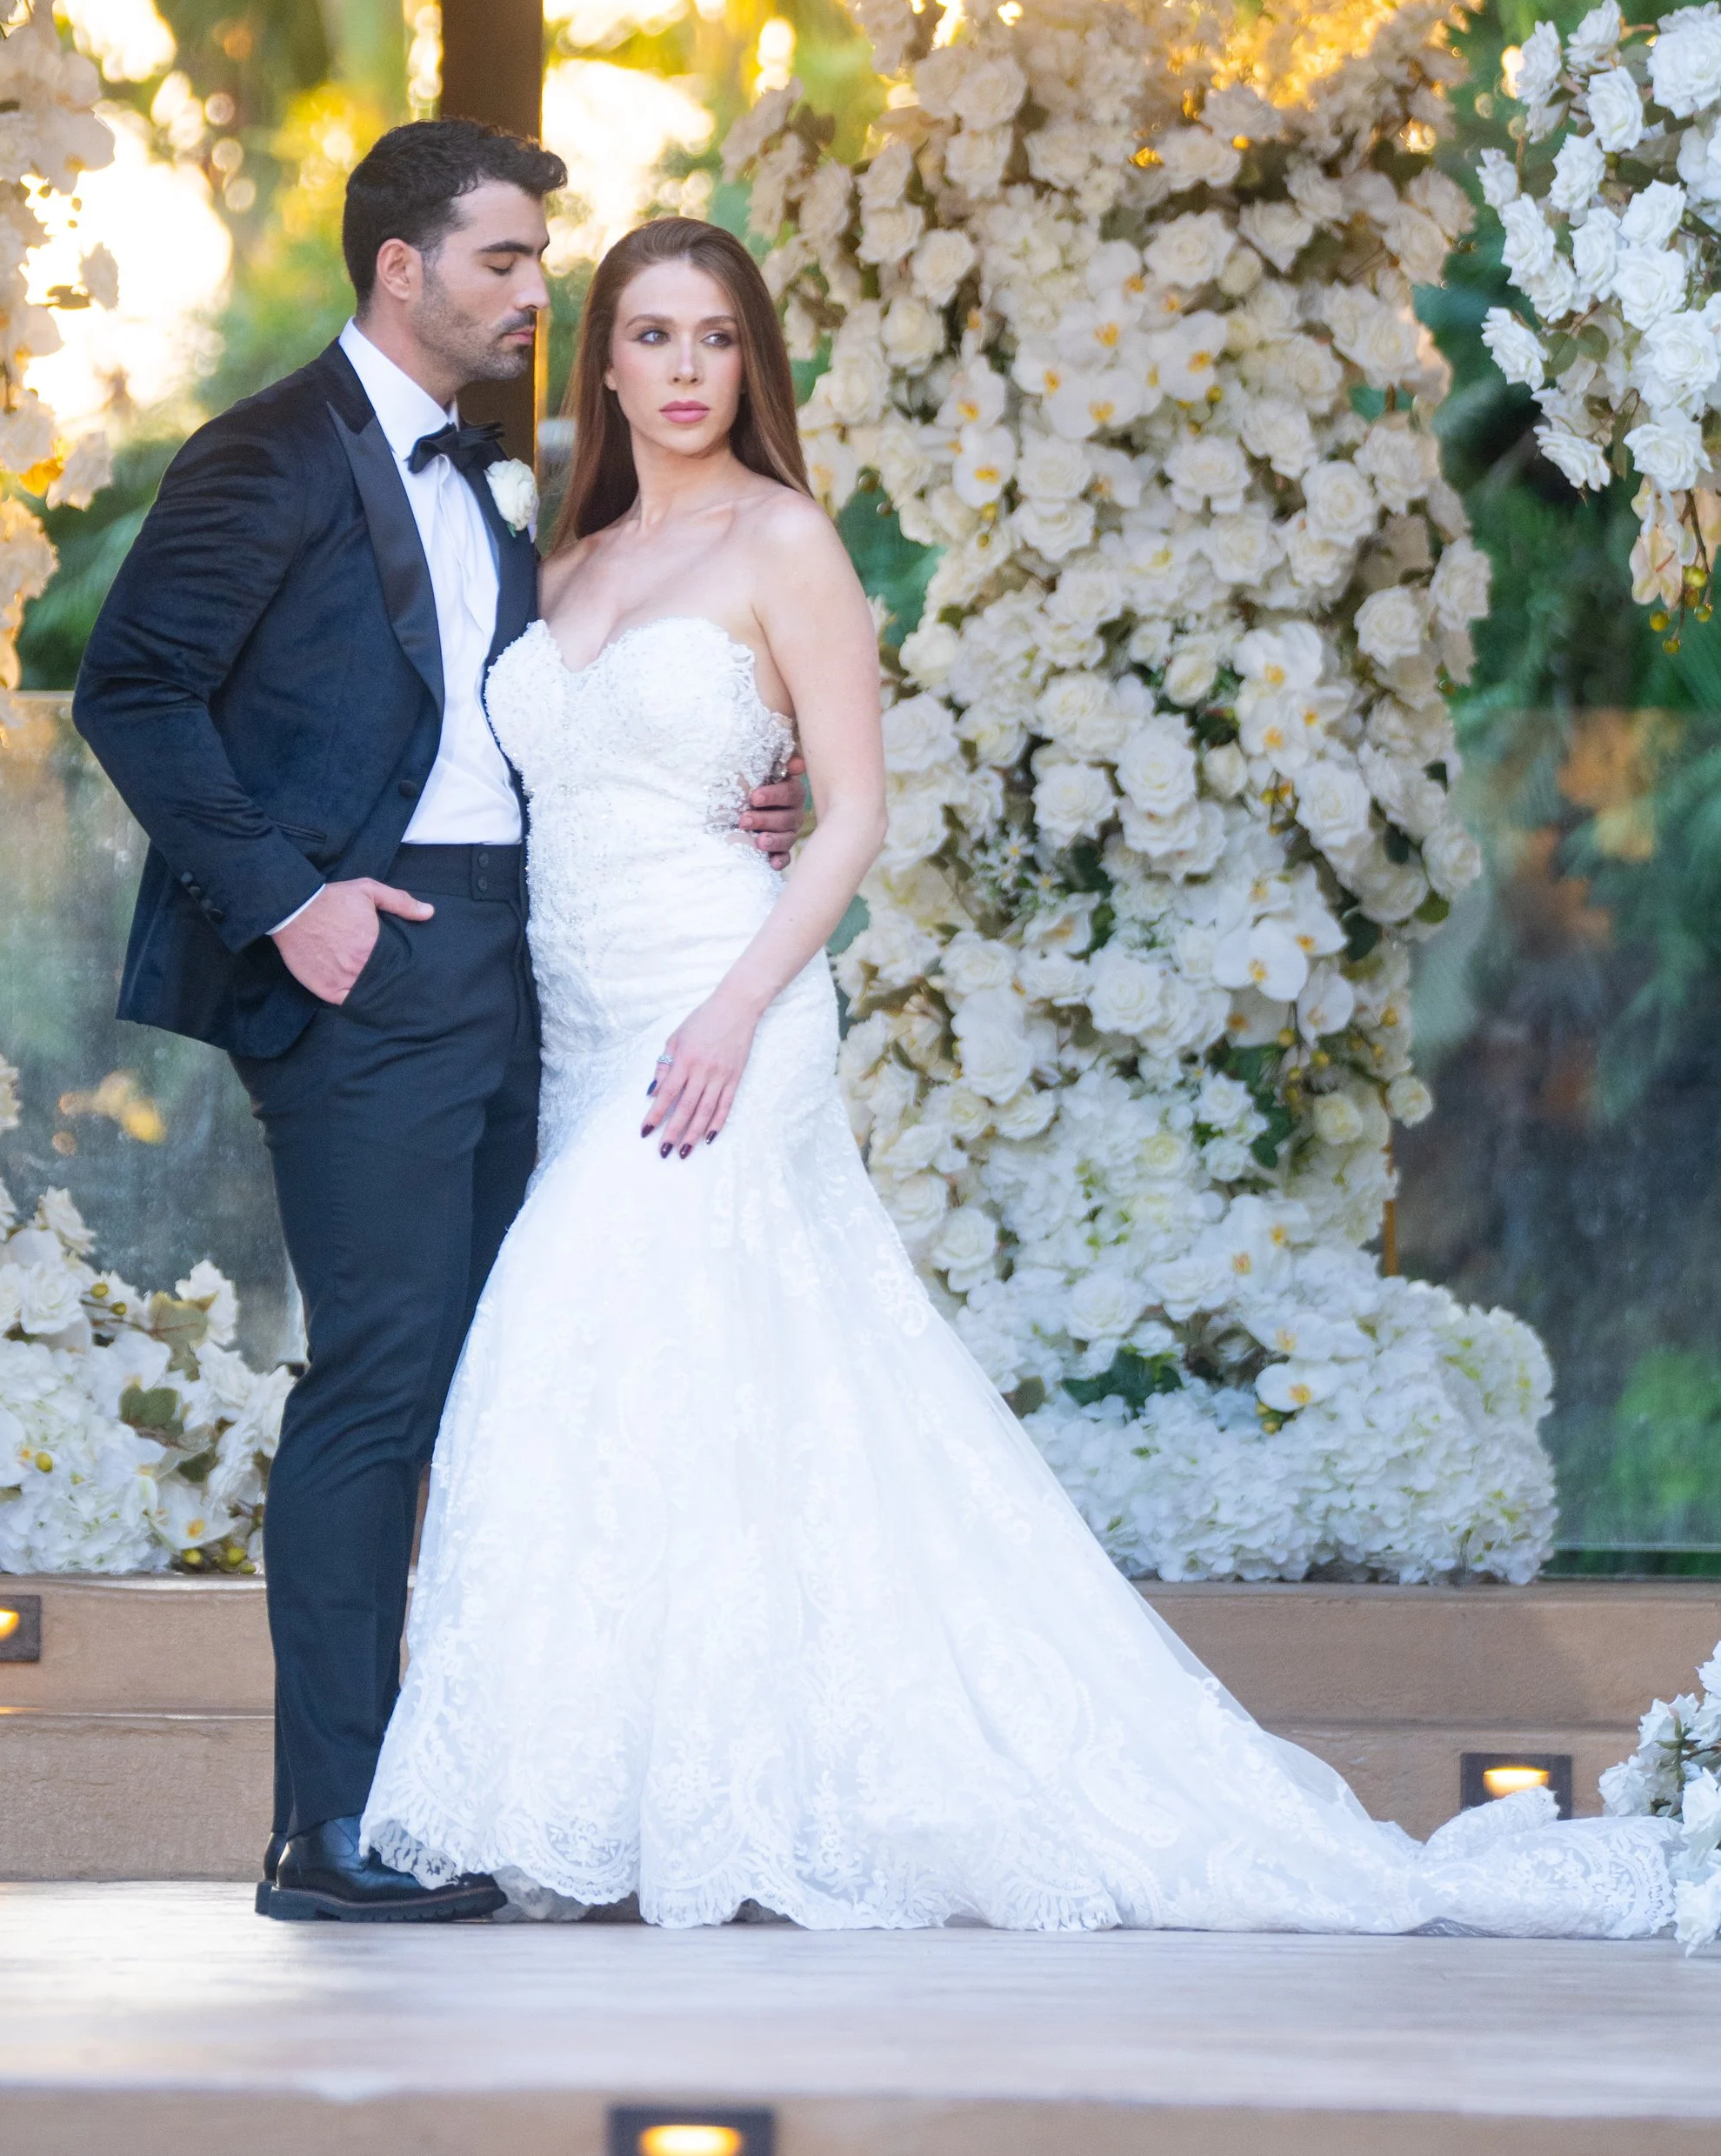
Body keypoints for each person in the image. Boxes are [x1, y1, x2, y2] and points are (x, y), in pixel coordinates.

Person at [360, 214, 1673, 1939]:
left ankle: (680, 1803)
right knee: (690, 1400)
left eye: (714, 341)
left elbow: (850, 817)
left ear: (750, 366)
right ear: (601, 362)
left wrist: (734, 1006)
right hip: (574, 1030)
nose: (682, 371)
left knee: (571, 1336)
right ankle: (643, 1796)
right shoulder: (562, 564)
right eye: (652, 337)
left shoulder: (786, 543)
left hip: (723, 1019)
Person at [73, 124, 806, 1925]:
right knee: (384, 1385)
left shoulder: (498, 484)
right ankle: (323, 1835)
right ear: (399, 267)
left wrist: (735, 800)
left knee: (515, 1390)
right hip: (363, 961)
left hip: (531, 964)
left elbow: (536, 722)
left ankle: (482, 1793)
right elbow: (134, 688)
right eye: (500, 259)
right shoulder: (258, 454)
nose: (529, 291)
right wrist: (288, 899)